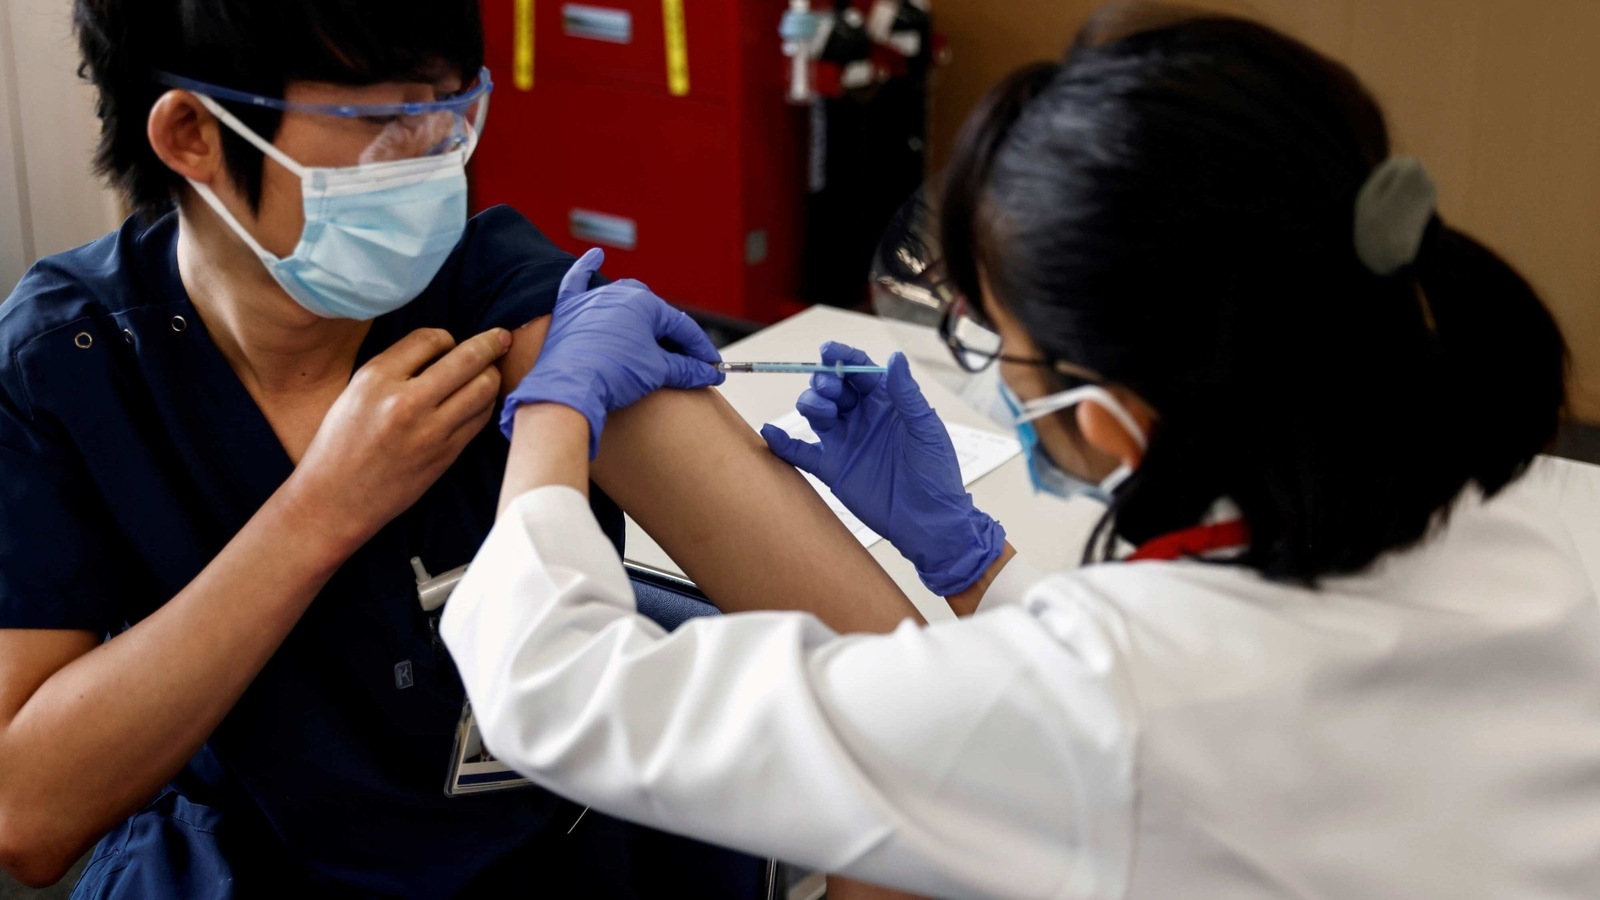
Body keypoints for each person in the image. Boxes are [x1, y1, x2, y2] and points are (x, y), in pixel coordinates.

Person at [440, 6, 1600, 898]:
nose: (992, 367)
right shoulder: (1531, 522)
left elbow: (561, 694)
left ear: (1110, 411)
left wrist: (556, 407)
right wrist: (973, 561)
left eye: (999, 342)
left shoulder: (1119, 704)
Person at [0, 0, 920, 894]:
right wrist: (319, 512)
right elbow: (26, 820)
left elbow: (905, 707)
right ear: (193, 135)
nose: (434, 160)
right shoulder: (71, 364)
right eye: (382, 118)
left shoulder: (520, 323)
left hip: (531, 861)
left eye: (450, 109)